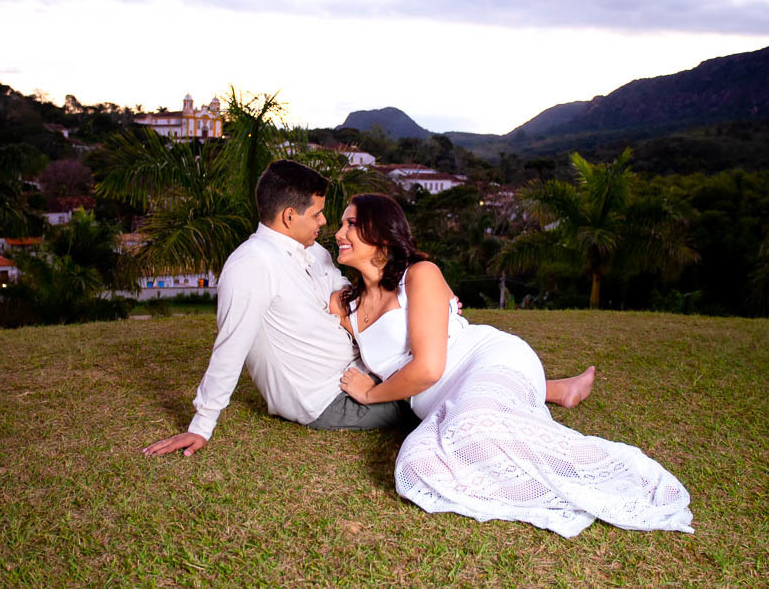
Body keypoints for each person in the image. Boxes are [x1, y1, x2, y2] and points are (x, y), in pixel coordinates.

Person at [143, 161, 595, 458]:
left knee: (450, 380)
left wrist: (432, 298)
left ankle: (544, 387)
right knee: (449, 410)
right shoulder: (249, 267)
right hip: (331, 398)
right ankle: (546, 389)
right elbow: (230, 346)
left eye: (339, 220)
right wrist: (202, 424)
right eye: (320, 215)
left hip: (373, 374)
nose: (327, 225)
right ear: (287, 217)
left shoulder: (317, 256)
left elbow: (359, 291)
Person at [331, 193, 694, 538]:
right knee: (416, 466)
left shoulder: (419, 274)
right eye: (340, 224)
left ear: (380, 233)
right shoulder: (346, 306)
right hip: (442, 401)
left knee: (475, 428)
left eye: (350, 224)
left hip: (486, 359)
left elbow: (428, 369)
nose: (338, 233)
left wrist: (371, 394)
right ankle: (555, 391)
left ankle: (607, 470)